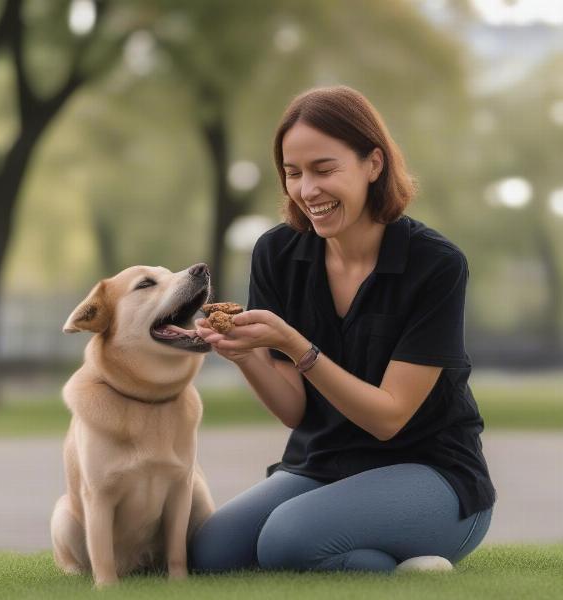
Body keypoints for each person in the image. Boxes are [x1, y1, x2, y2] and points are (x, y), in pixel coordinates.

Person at [189, 85, 496, 574]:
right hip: (325, 466)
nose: (308, 190)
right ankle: (399, 568)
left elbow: (388, 418)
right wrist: (247, 354)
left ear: (373, 164)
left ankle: (409, 553)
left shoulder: (435, 265)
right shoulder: (277, 254)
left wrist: (292, 343)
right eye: (293, 173)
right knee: (212, 553)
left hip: (431, 474)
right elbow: (294, 410)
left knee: (285, 540)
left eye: (324, 170)